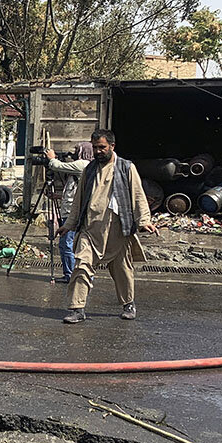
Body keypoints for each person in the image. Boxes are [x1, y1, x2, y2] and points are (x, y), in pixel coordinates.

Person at [57, 129, 156, 324]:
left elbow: (138, 196)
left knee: (123, 270)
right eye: (95, 148)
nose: (98, 151)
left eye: (102, 147)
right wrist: (69, 224)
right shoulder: (89, 169)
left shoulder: (126, 167)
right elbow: (79, 200)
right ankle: (77, 308)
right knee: (81, 266)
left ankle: (128, 304)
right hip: (90, 229)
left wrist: (144, 221)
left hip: (118, 229)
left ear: (112, 146)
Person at [44, 142, 93, 283]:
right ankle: (74, 274)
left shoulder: (83, 164)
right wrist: (59, 196)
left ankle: (71, 275)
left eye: (77, 150)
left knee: (66, 243)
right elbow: (77, 193)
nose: (74, 154)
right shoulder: (84, 168)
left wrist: (51, 158)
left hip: (72, 214)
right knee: (71, 244)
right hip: (71, 210)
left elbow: (58, 166)